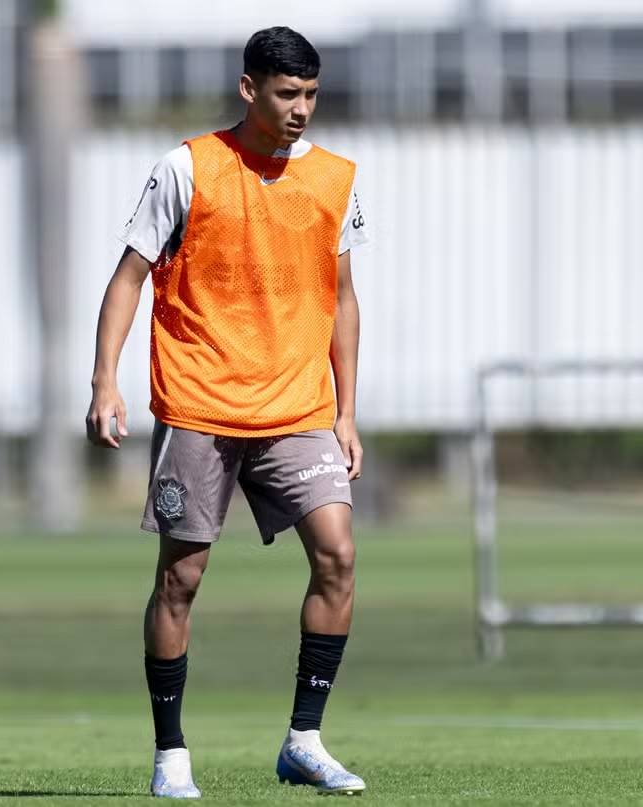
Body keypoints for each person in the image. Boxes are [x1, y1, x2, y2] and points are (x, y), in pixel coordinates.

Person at [86, 26, 369, 799]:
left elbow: (341, 298)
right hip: (200, 403)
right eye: (287, 94)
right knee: (181, 579)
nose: (301, 109)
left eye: (311, 94)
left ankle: (305, 741)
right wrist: (104, 381)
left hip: (297, 406)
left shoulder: (336, 179)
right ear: (250, 89)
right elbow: (127, 278)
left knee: (339, 555)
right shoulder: (188, 167)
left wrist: (347, 412)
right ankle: (170, 754)